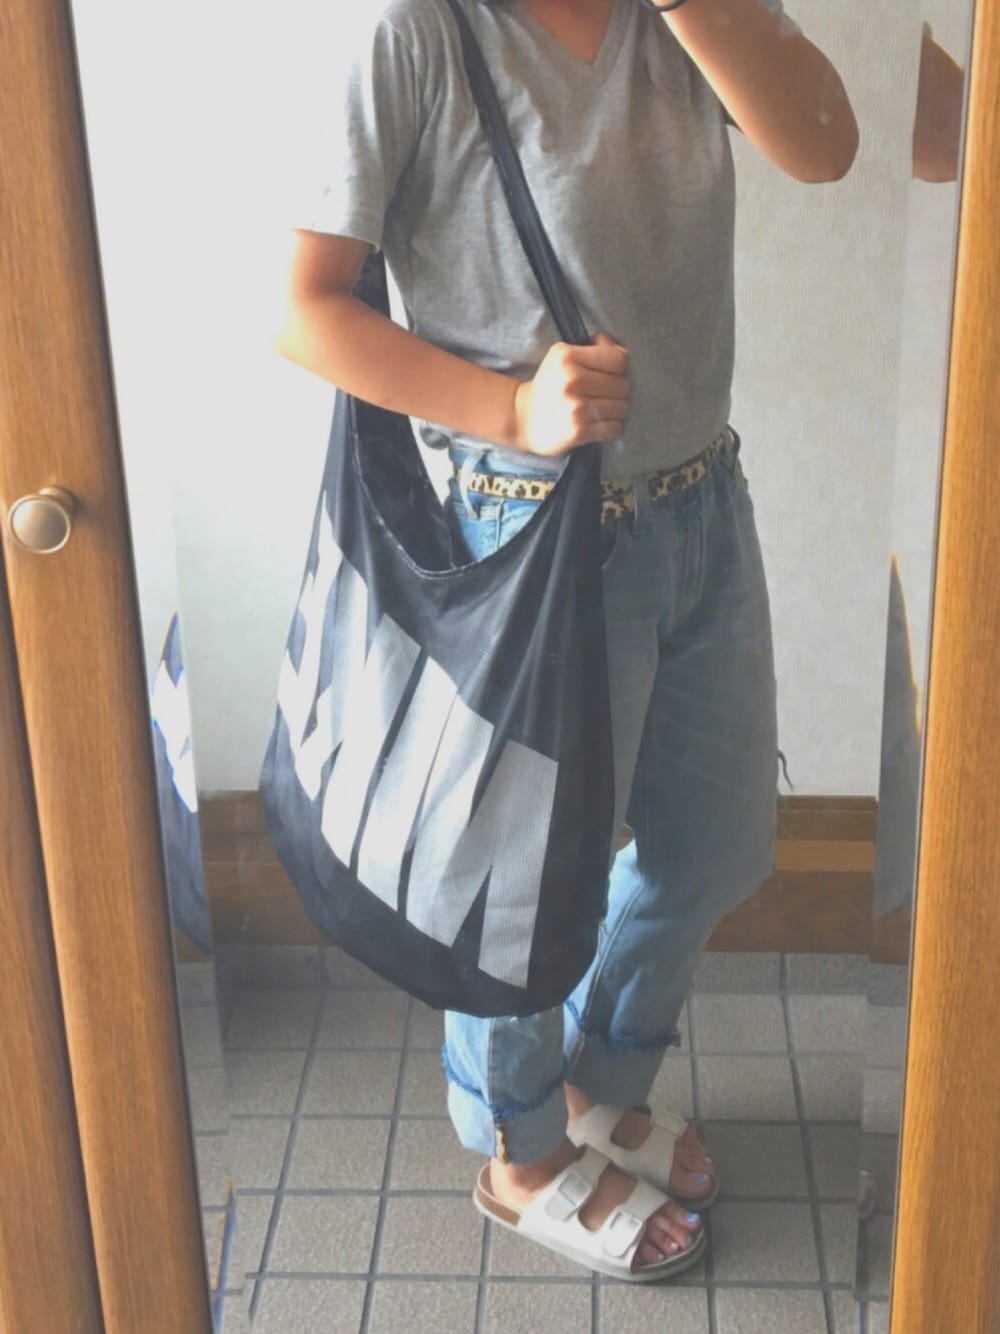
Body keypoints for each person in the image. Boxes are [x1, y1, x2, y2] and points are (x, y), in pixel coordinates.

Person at [278, 0, 857, 1281]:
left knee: (716, 840)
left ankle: (598, 1078)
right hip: (526, 520)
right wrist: (510, 409)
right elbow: (305, 310)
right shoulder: (415, 31)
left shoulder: (683, 18)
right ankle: (520, 1147)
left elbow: (825, 148)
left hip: (703, 498)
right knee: (522, 885)